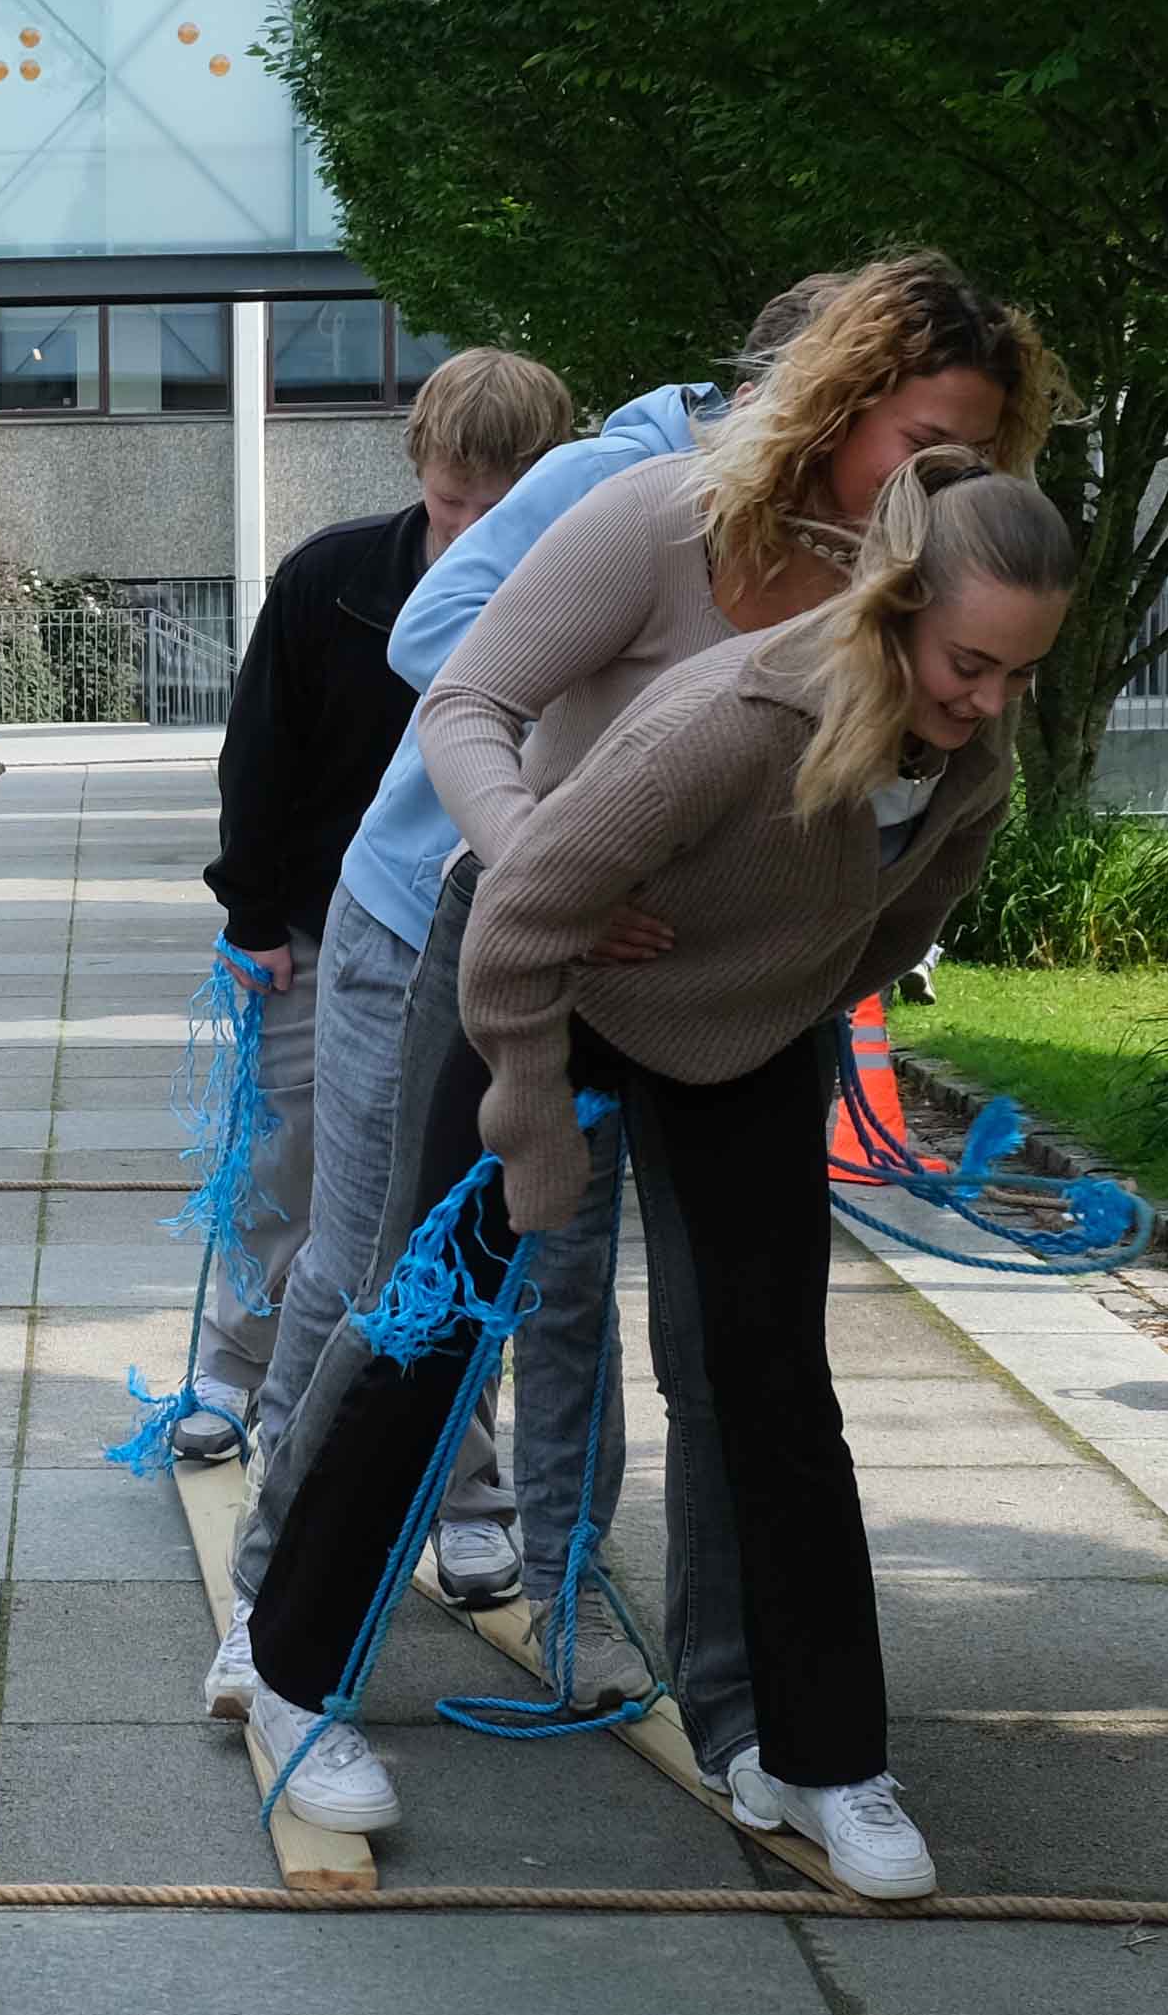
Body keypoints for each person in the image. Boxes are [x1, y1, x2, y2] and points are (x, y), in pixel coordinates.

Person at [227, 256, 1056, 1833]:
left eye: (981, 456)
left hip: (738, 1005)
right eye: (924, 441)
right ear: (836, 407)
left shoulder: (932, 601)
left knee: (758, 1362)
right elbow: (465, 698)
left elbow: (926, 836)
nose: (949, 483)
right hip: (535, 958)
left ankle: (798, 1740)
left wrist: (821, 967)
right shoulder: (658, 517)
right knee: (429, 1313)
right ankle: (285, 1668)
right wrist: (546, 859)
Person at [176, 349, 582, 1458]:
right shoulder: (335, 579)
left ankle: (456, 1453)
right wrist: (251, 914)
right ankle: (235, 1364)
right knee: (291, 1157)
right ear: (421, 469)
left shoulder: (582, 592)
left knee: (462, 1197)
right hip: (319, 924)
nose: (474, 530)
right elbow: (258, 753)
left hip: (484, 938)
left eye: (505, 509)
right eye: (455, 503)